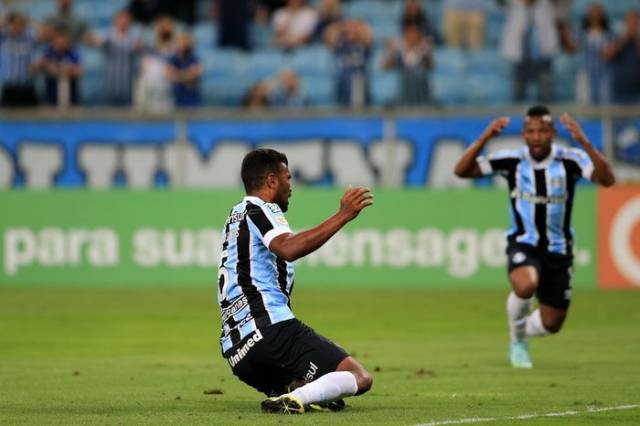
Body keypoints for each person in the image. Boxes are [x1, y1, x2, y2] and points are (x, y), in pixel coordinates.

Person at [453, 105, 615, 368]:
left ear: (552, 133)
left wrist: (584, 141)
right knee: (525, 286)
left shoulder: (570, 159)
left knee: (552, 324)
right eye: (530, 131)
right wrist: (485, 138)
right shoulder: (512, 159)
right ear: (524, 135)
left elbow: (607, 179)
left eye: (542, 131)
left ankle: (520, 331)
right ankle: (517, 341)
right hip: (524, 242)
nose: (537, 136)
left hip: (559, 249)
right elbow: (461, 171)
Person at [217, 148, 374, 414]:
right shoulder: (259, 208)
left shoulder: (236, 218)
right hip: (270, 331)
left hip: (238, 352)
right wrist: (343, 215)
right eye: (288, 178)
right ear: (271, 180)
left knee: (322, 389)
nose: (292, 186)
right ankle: (298, 397)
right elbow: (288, 247)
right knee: (359, 377)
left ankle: (295, 391)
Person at [500, 0, 558, 102]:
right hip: (520, 58)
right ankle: (517, 115)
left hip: (543, 57)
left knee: (545, 95)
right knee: (518, 94)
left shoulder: (546, 5)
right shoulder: (514, 5)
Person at [92, 9, 144, 106]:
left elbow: (141, 48)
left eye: (126, 19)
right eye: (121, 19)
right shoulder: (108, 35)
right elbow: (96, 42)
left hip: (127, 86)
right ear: (115, 20)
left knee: (127, 116)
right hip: (110, 85)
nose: (123, 21)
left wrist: (139, 47)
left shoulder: (134, 36)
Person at [324, 19, 372, 107]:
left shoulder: (362, 45)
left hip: (358, 80)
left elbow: (368, 35)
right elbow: (329, 34)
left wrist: (358, 26)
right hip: (342, 79)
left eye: (354, 29)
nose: (351, 31)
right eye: (349, 29)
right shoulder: (341, 45)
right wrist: (341, 26)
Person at [382, 23, 433, 105]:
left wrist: (428, 52)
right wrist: (388, 50)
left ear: (419, 35)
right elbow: (385, 66)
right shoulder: (399, 51)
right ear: (405, 35)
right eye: (409, 33)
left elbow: (431, 66)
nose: (412, 36)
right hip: (404, 89)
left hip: (420, 88)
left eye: (414, 33)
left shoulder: (424, 50)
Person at [35, 30, 82, 106]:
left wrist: (60, 69)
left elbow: (79, 71)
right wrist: (49, 66)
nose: (60, 45)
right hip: (52, 92)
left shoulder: (72, 52)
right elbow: (39, 66)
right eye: (58, 43)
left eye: (63, 42)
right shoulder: (49, 52)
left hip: (70, 91)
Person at [0, 12, 38, 107]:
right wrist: (7, 18)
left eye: (20, 24)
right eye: (15, 24)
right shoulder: (4, 38)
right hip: (10, 87)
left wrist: (28, 19)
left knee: (31, 118)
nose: (17, 27)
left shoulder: (29, 38)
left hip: (27, 86)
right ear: (10, 25)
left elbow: (44, 32)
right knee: (8, 118)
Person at [576, 3, 611, 105]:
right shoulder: (581, 34)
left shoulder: (609, 34)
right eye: (592, 12)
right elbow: (574, 48)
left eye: (597, 11)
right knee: (585, 105)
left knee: (605, 105)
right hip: (586, 74)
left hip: (604, 75)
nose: (595, 15)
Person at [603, 10, 640, 105]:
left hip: (637, 92)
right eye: (630, 22)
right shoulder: (617, 37)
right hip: (618, 92)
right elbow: (606, 55)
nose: (632, 25)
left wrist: (636, 40)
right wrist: (624, 40)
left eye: (635, 23)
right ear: (625, 23)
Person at [167, 33, 202, 107]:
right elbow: (169, 75)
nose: (183, 45)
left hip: (192, 101)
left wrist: (177, 75)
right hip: (176, 100)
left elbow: (195, 74)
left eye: (186, 43)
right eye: (181, 43)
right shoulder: (173, 59)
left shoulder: (195, 59)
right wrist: (187, 75)